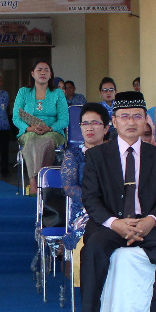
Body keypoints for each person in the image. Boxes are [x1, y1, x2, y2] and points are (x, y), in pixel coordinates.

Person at [71, 92, 156, 312]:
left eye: (137, 116)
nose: (131, 122)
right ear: (114, 121)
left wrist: (150, 221)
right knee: (92, 249)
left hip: (149, 223)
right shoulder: (97, 155)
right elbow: (90, 197)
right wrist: (115, 223)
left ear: (146, 120)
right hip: (110, 223)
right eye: (124, 117)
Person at [12, 59, 68, 192]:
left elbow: (64, 119)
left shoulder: (58, 93)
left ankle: (42, 178)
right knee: (31, 139)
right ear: (32, 73)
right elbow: (16, 117)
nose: (43, 73)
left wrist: (50, 128)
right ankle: (34, 180)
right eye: (39, 70)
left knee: (46, 140)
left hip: (52, 132)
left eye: (46, 70)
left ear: (51, 74)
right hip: (29, 131)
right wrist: (29, 128)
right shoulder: (23, 92)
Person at [60, 103, 110, 251]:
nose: (89, 128)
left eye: (95, 123)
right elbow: (69, 187)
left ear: (106, 128)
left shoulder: (115, 154)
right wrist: (95, 202)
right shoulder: (73, 154)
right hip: (84, 209)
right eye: (85, 123)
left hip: (113, 208)